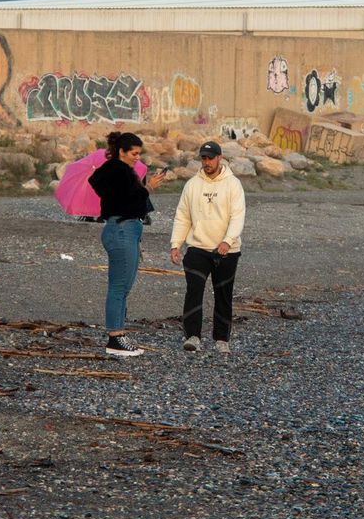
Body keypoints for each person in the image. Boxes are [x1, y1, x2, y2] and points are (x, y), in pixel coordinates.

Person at [87, 131, 165, 357]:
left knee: (122, 286)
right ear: (121, 151)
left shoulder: (115, 171)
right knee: (119, 287)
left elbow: (124, 199)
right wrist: (149, 188)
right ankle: (115, 337)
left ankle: (119, 334)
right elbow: (128, 201)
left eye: (139, 154)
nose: (137, 158)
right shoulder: (118, 171)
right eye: (134, 153)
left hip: (123, 230)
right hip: (122, 229)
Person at [170, 140, 247, 353]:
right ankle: (193, 336)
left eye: (210, 158)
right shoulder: (192, 185)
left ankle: (221, 339)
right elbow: (183, 216)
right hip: (198, 247)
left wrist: (227, 241)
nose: (207, 162)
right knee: (194, 291)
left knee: (223, 294)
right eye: (203, 158)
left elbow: (238, 216)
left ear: (219, 158)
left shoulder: (233, 184)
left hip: (227, 251)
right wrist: (176, 244)